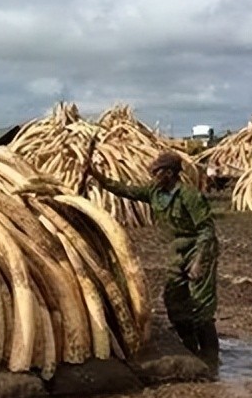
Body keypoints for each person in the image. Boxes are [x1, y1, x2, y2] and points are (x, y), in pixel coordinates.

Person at [88, 149, 220, 368]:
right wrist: (100, 178)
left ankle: (211, 357)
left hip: (199, 249)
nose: (153, 176)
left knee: (201, 307)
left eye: (157, 172)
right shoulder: (155, 192)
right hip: (177, 252)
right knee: (174, 300)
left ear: (169, 173)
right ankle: (189, 347)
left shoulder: (189, 196)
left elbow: (207, 231)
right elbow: (126, 190)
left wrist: (199, 261)